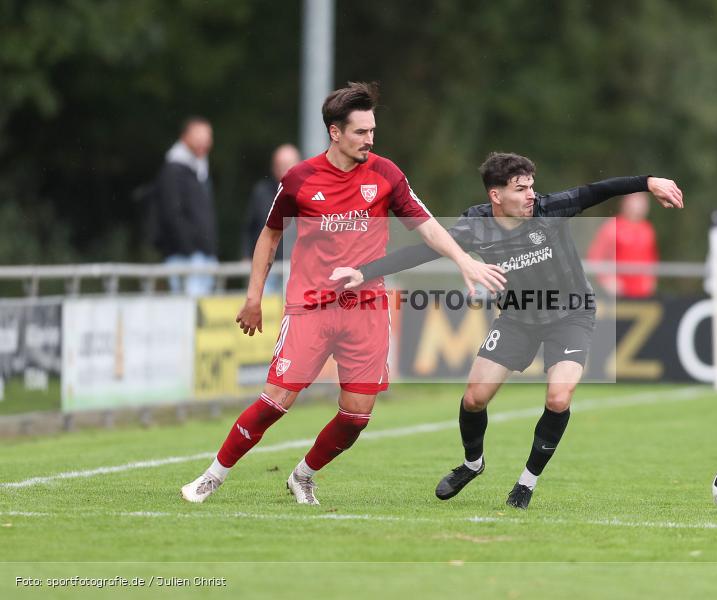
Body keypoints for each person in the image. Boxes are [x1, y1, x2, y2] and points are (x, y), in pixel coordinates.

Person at [181, 82, 506, 505]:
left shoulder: (386, 175)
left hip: (366, 308)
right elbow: (270, 235)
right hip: (310, 306)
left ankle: (303, 475)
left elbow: (425, 224)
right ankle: (212, 477)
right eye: (360, 132)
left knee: (356, 417)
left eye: (372, 131)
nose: (370, 140)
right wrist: (253, 297)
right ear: (335, 132)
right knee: (275, 401)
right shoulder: (300, 178)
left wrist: (462, 259)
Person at [332, 153, 683, 509]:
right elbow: (424, 251)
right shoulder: (475, 225)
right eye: (520, 189)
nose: (531, 195)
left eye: (531, 186)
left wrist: (647, 181)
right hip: (517, 317)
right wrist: (364, 272)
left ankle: (526, 483)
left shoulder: (549, 209)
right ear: (496, 195)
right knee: (474, 398)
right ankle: (472, 464)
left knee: (558, 398)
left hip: (571, 315)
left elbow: (597, 190)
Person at [155, 117, 218, 296]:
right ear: (185, 137)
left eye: (208, 138)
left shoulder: (199, 169)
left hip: (203, 255)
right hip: (186, 256)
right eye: (200, 137)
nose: (205, 142)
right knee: (188, 307)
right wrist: (189, 249)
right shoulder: (173, 170)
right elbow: (171, 213)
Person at [242, 144, 302, 295]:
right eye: (281, 165)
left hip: (298, 266)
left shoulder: (309, 192)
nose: (285, 169)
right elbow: (250, 227)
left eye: (289, 164)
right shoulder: (261, 192)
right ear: (273, 167)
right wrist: (246, 256)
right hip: (266, 266)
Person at [586, 192, 659, 298]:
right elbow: (595, 257)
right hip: (618, 293)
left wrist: (651, 281)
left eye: (642, 202)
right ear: (625, 203)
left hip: (642, 294)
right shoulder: (612, 226)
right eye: (635, 201)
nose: (638, 206)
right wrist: (606, 280)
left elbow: (652, 259)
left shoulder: (648, 229)